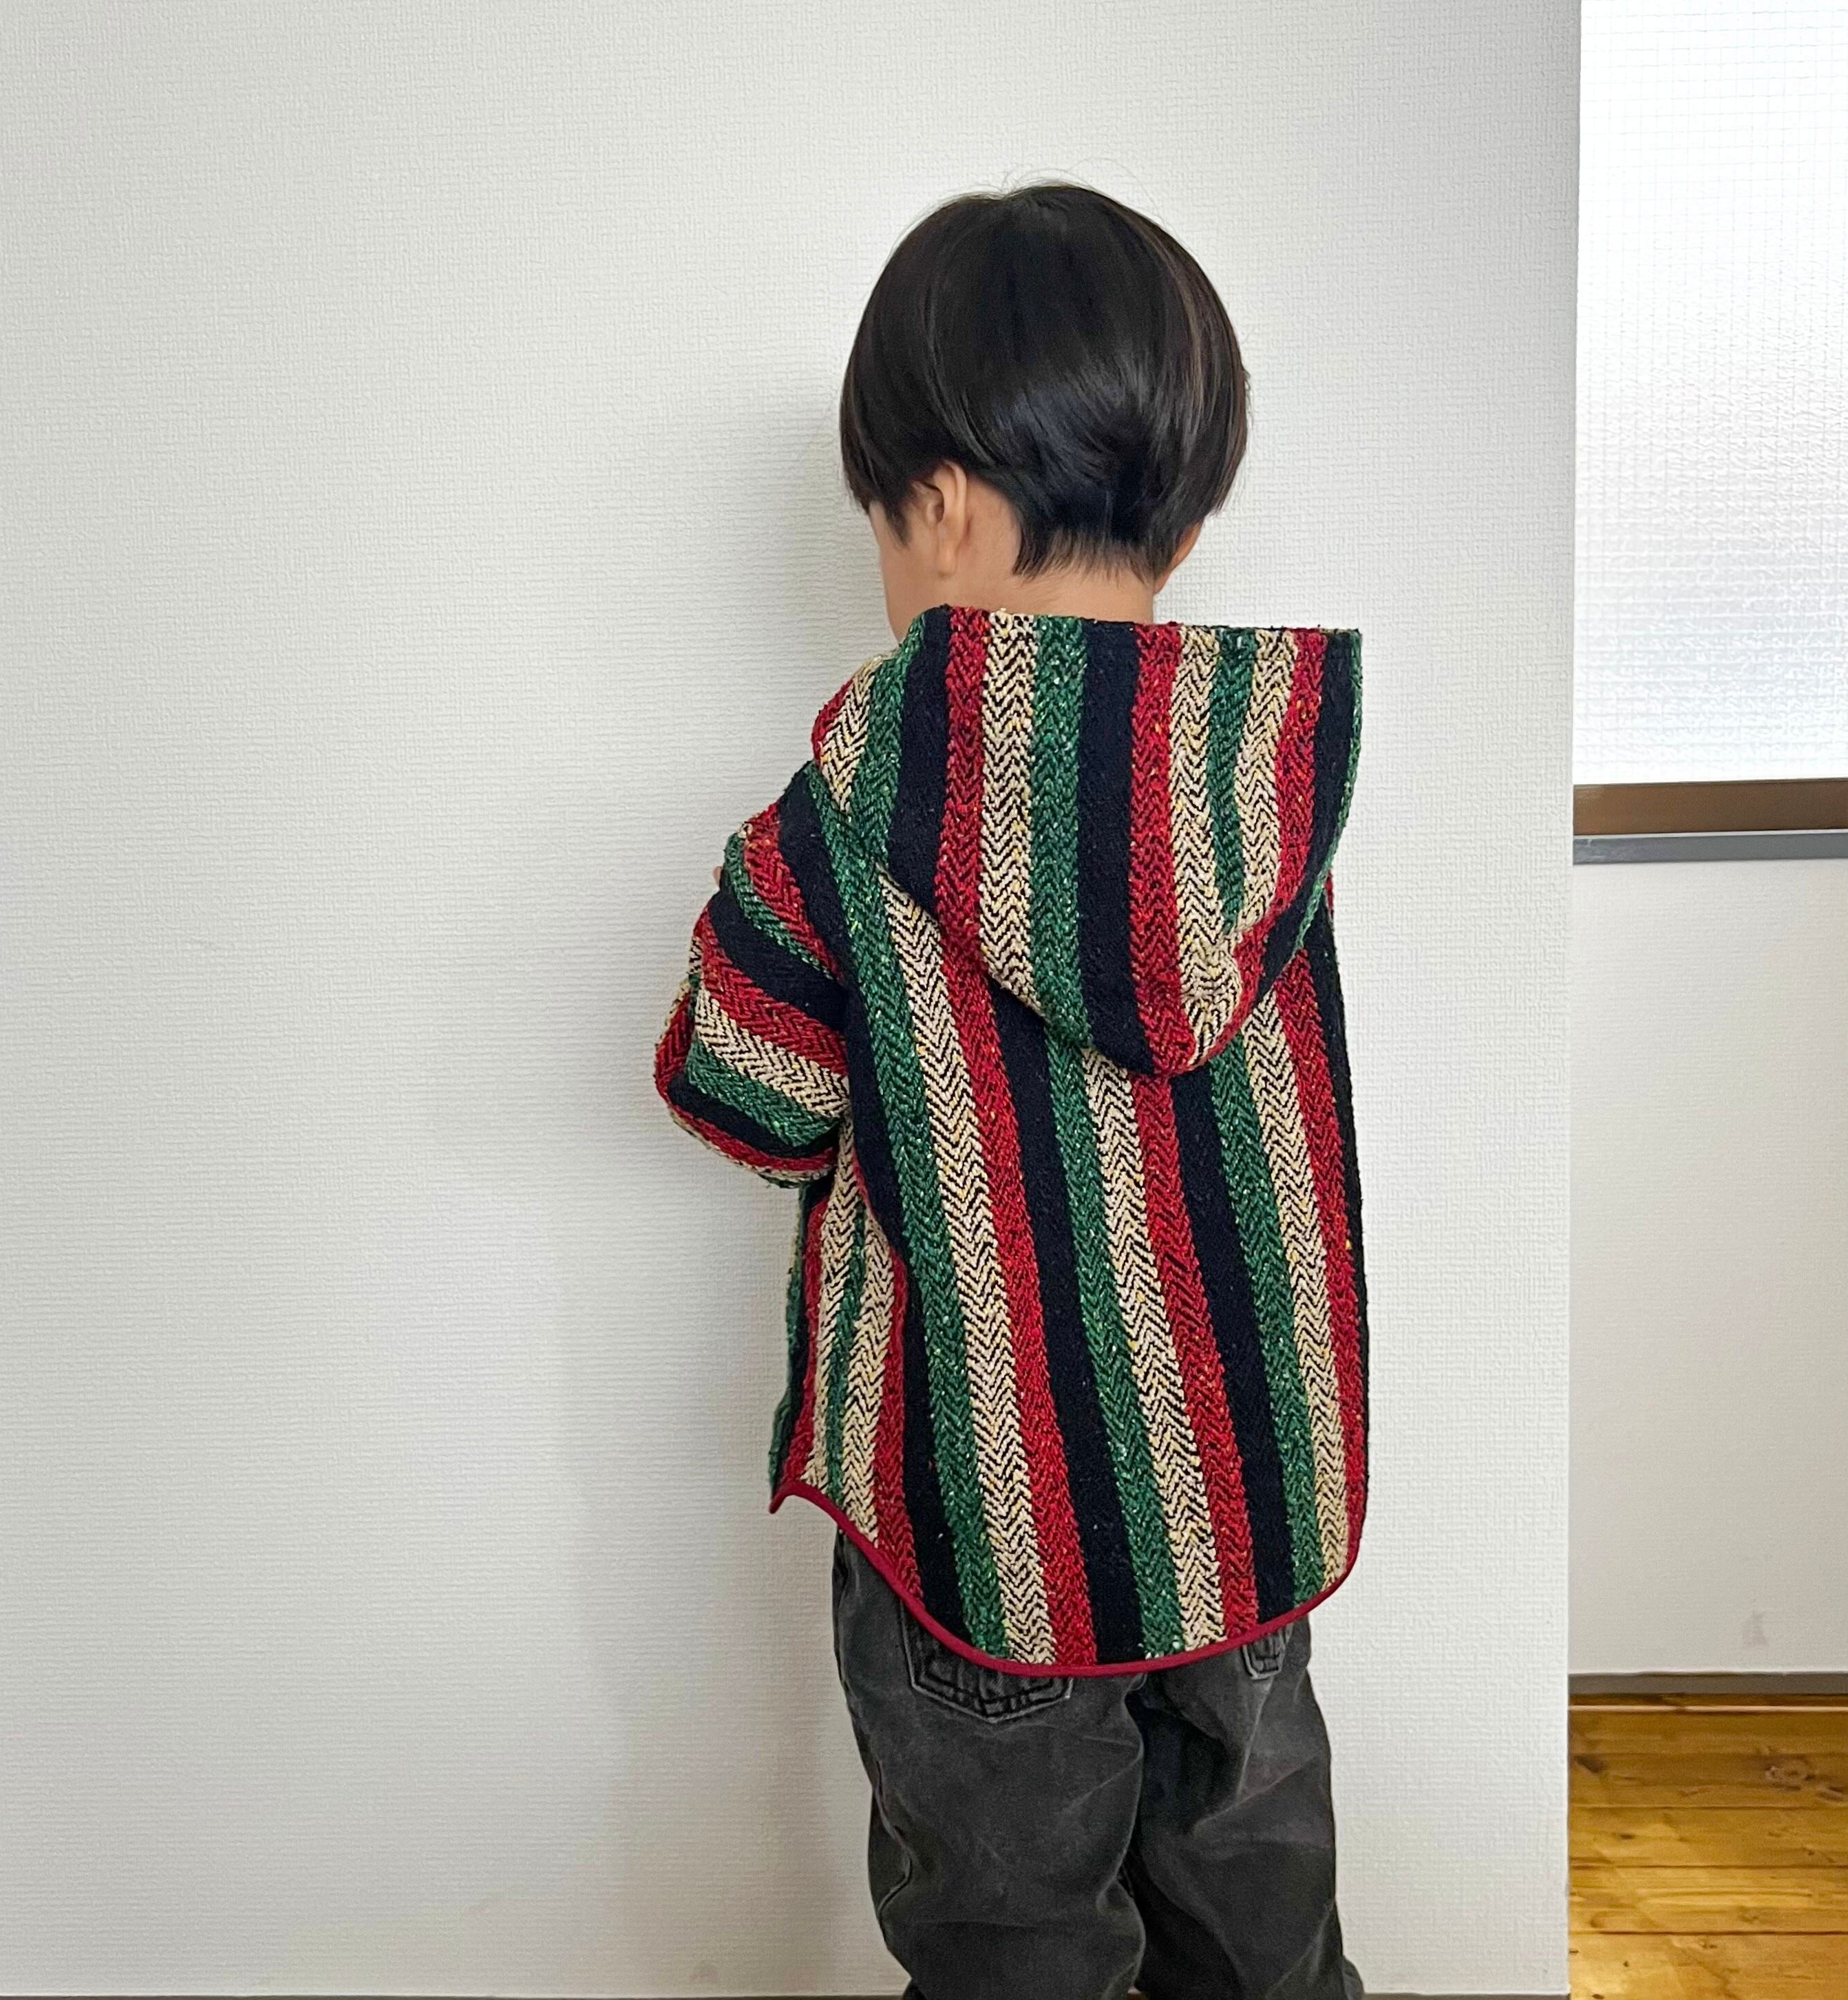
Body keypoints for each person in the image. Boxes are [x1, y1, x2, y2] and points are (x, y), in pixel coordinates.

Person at [652, 180, 1367, 2000]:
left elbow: (744, 1091)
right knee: (1260, 1933)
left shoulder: (851, 801)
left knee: (1013, 1945)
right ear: (1187, 519)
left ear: (945, 507)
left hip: (985, 1520)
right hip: (1242, 1508)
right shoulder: (1259, 792)